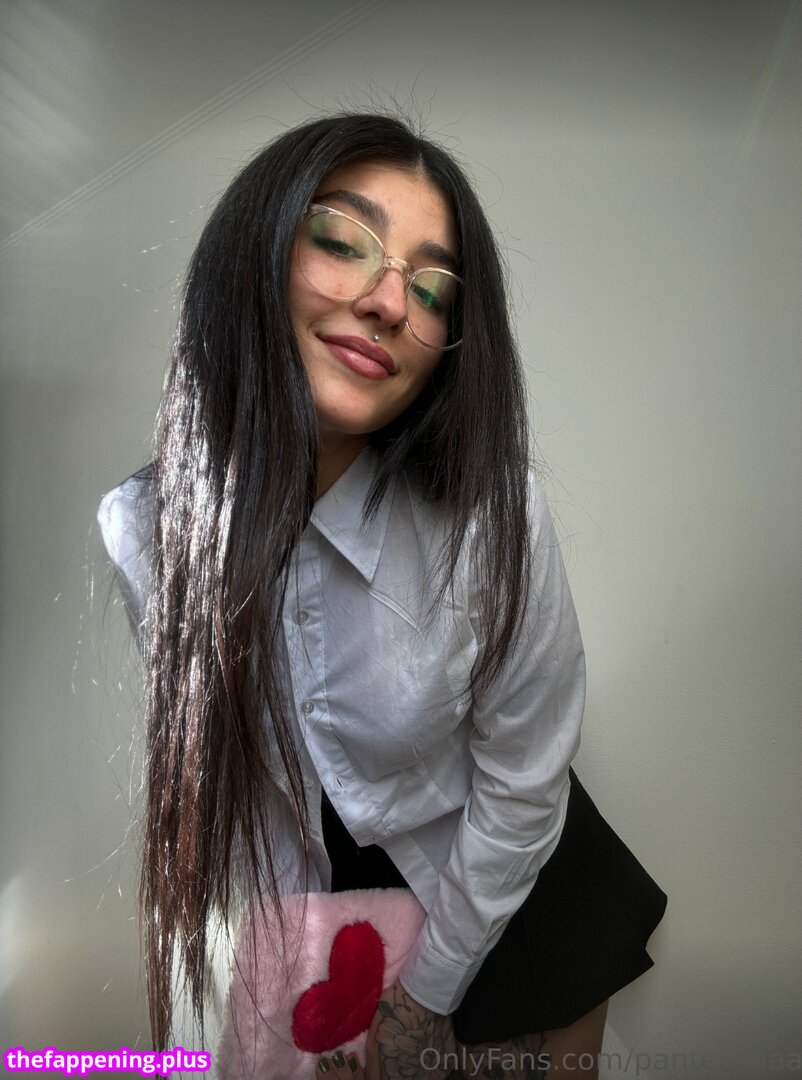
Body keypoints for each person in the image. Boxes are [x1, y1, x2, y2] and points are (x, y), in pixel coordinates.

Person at [98, 113, 667, 1080]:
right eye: (342, 240)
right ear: (258, 251)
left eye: (433, 287)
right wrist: (292, 965)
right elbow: (251, 792)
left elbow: (525, 779)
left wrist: (426, 997)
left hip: (514, 893)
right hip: (336, 913)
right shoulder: (147, 529)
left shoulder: (493, 514)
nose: (392, 300)